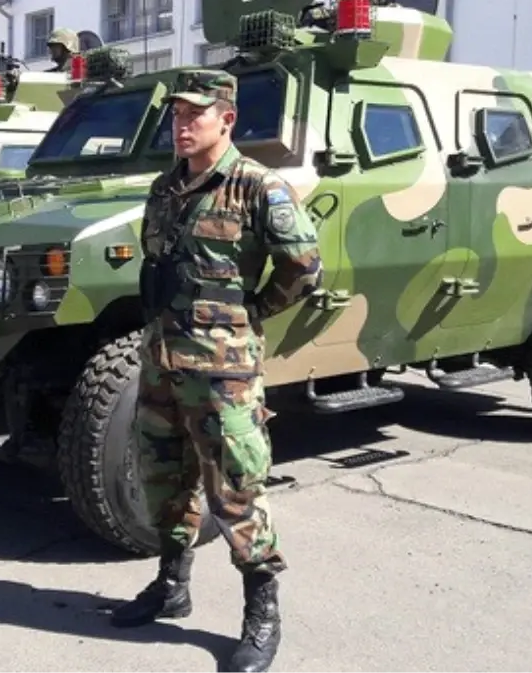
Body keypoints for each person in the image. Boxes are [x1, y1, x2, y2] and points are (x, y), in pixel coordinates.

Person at [111, 70, 323, 673]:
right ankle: (171, 586)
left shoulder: (258, 188)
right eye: (175, 116)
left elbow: (304, 268)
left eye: (193, 116)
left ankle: (262, 612)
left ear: (226, 119)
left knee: (236, 492)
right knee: (161, 480)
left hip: (223, 373)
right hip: (162, 363)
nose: (181, 126)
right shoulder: (164, 188)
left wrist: (252, 312)